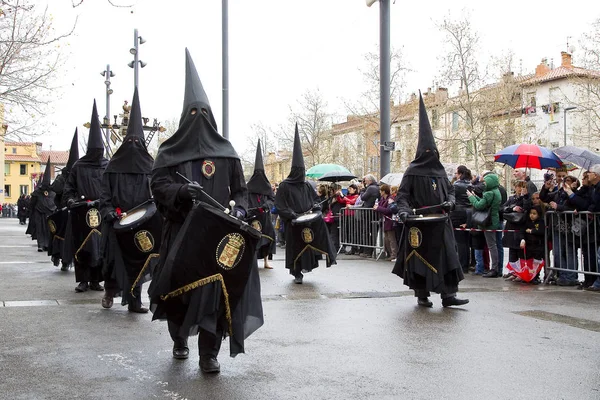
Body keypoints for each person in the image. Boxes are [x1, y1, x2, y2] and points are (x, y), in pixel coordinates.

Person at [149, 49, 263, 373]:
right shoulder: (169, 152)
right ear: (185, 115)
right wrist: (182, 191)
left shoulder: (227, 152)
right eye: (193, 112)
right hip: (181, 234)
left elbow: (242, 191)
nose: (199, 116)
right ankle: (179, 338)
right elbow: (157, 186)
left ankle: (208, 354)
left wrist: (240, 211)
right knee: (180, 294)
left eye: (204, 111)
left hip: (217, 235)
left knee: (215, 294)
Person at [392, 93, 468, 308]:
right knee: (421, 258)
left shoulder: (441, 172)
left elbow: (451, 192)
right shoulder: (412, 172)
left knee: (448, 258)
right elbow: (403, 196)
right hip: (420, 223)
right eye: (426, 150)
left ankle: (448, 295)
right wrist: (404, 211)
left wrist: (450, 202)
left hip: (441, 223)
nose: (430, 153)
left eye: (432, 150)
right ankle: (422, 294)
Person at [99, 88, 155, 313]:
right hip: (117, 222)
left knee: (139, 261)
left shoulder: (151, 168)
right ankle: (109, 291)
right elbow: (105, 196)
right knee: (114, 260)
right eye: (129, 140)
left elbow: (156, 195)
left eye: (136, 141)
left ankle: (135, 301)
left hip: (141, 223)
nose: (133, 144)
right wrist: (110, 212)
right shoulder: (113, 168)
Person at [274, 123, 336, 284]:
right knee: (295, 247)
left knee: (309, 243)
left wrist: (316, 206)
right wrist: (291, 215)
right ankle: (296, 272)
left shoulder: (307, 185)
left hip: (308, 220)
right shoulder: (284, 186)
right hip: (293, 223)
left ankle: (307, 266)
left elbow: (315, 199)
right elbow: (280, 205)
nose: (302, 175)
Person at [64, 100, 108, 293]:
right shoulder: (78, 166)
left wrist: (106, 202)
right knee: (82, 245)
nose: (98, 153)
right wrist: (73, 201)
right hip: (81, 211)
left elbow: (111, 189)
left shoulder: (107, 166)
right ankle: (83, 280)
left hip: (101, 211)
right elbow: (69, 189)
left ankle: (96, 280)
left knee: (100, 246)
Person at [48, 129, 80, 271]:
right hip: (63, 209)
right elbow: (55, 190)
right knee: (61, 236)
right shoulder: (62, 177)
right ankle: (64, 261)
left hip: (78, 210)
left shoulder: (80, 174)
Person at [246, 139, 276, 269]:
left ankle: (265, 261)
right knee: (251, 239)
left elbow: (271, 199)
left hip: (264, 216)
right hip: (252, 217)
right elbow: (244, 200)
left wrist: (266, 206)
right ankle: (251, 262)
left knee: (268, 237)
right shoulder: (248, 188)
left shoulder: (267, 187)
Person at [467, 172, 502, 278]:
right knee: (494, 246)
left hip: (489, 222)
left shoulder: (489, 193)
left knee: (492, 246)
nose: (484, 183)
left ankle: (494, 269)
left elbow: (479, 205)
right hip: (494, 220)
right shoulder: (496, 191)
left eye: (486, 181)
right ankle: (496, 268)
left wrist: (471, 197)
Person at [30, 158, 57, 252]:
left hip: (49, 214)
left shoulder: (53, 192)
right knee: (40, 229)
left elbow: (55, 202)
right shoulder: (37, 192)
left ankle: (47, 245)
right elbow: (32, 202)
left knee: (48, 229)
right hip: (39, 213)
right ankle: (41, 245)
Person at [451, 165, 473, 274]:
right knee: (466, 240)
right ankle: (467, 264)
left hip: (457, 213)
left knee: (459, 241)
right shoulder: (471, 184)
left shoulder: (456, 185)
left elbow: (451, 198)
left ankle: (461, 264)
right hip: (469, 212)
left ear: (459, 174)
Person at [373, 183, 397, 261]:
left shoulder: (390, 199)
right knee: (386, 239)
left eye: (381, 190)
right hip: (384, 221)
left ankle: (394, 254)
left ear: (384, 191)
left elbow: (389, 210)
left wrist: (378, 208)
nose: (380, 192)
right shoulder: (382, 199)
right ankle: (389, 253)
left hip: (390, 220)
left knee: (391, 238)